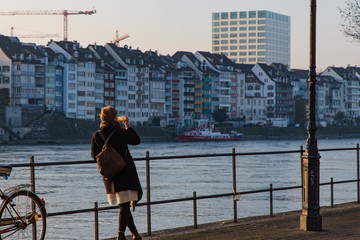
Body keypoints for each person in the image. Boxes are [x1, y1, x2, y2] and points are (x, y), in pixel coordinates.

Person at [91, 106, 142, 240]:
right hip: (125, 172)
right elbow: (136, 140)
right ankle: (120, 236)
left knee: (123, 205)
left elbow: (94, 155)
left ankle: (135, 234)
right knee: (124, 206)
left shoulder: (97, 135)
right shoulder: (120, 132)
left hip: (110, 174)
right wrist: (127, 126)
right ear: (114, 118)